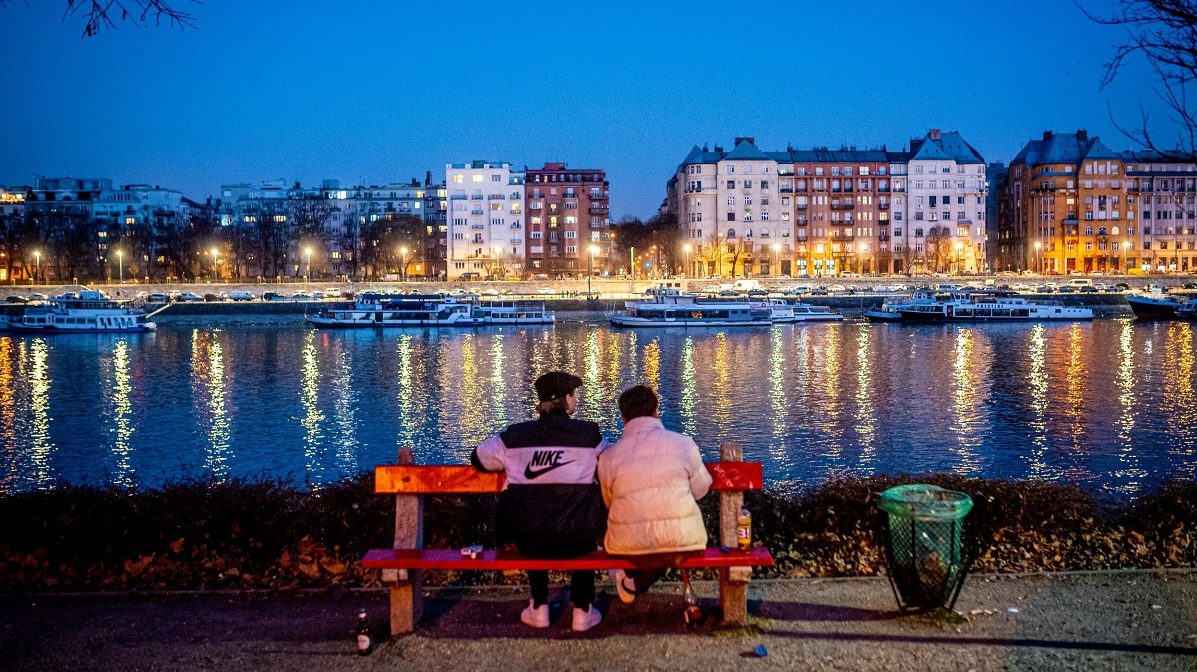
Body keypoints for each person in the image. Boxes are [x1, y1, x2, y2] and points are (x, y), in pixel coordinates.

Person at [471, 371, 607, 632]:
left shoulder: (515, 437)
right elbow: (610, 463)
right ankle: (582, 609)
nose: (574, 400)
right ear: (567, 400)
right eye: (573, 395)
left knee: (533, 514)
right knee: (581, 518)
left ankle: (539, 606)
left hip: (529, 540)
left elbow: (478, 458)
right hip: (577, 539)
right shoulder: (589, 436)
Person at [598, 384, 712, 603]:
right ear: (656, 411)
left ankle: (631, 582)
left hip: (628, 545)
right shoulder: (684, 444)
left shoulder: (609, 456)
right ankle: (632, 584)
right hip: (684, 541)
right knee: (666, 542)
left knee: (636, 538)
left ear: (623, 418)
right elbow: (701, 490)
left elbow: (609, 501)